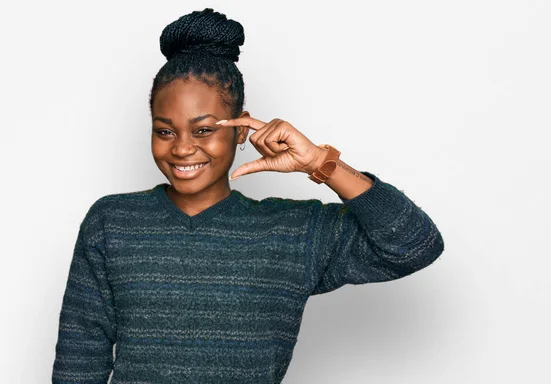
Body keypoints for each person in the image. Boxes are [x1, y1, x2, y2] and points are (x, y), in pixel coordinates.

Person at [51, 8, 445, 384]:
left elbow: (415, 245)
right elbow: (79, 356)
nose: (182, 149)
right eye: (165, 131)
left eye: (203, 129)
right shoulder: (113, 221)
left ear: (241, 131)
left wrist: (318, 163)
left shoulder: (292, 232)